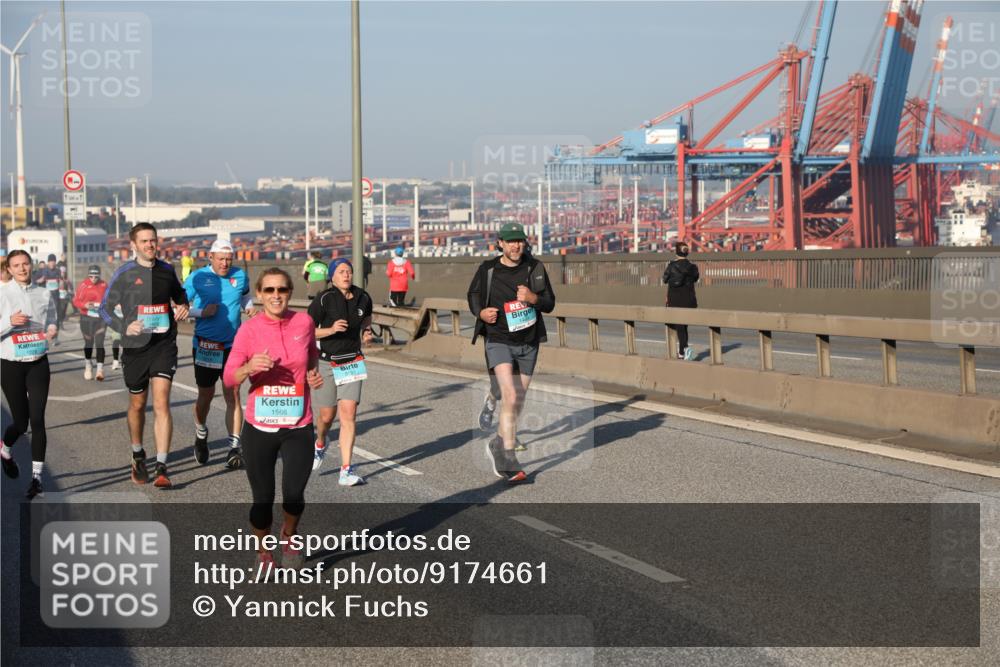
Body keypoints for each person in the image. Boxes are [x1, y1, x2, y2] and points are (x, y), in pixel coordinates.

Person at [223, 267, 323, 570]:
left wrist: (311, 375)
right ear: (259, 295)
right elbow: (229, 378)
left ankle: (290, 535)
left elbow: (311, 355)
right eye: (269, 290)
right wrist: (249, 367)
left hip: (298, 424)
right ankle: (263, 550)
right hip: (259, 426)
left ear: (289, 293)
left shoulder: (304, 322)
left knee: (294, 494)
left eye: (282, 290)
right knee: (262, 499)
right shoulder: (249, 330)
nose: (276, 296)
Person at [100, 223, 189, 488]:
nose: (150, 245)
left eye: (153, 240)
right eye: (144, 241)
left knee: (162, 402)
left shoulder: (166, 270)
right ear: (134, 245)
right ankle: (138, 453)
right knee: (138, 404)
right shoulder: (125, 273)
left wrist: (183, 306)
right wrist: (123, 326)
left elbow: (181, 295)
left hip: (163, 344)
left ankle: (162, 466)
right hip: (135, 348)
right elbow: (105, 309)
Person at [466, 223, 555, 483]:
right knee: (511, 394)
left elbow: (550, 303)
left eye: (520, 241)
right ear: (500, 244)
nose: (516, 245)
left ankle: (498, 442)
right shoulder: (488, 270)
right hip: (498, 339)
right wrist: (481, 313)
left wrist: (533, 298)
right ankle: (507, 457)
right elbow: (473, 295)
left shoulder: (535, 268)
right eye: (511, 241)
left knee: (518, 400)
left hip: (529, 342)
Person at [184, 238, 254, 468]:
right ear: (210, 257)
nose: (225, 263)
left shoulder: (240, 276)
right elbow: (180, 308)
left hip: (233, 346)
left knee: (232, 395)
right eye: (220, 259)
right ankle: (201, 433)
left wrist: (249, 306)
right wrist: (201, 312)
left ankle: (234, 448)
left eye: (228, 259)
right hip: (205, 346)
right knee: (205, 394)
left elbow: (244, 295)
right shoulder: (197, 277)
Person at [308, 258, 373, 484]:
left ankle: (346, 470)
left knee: (349, 414)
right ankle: (320, 442)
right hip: (326, 363)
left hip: (352, 361)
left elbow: (367, 319)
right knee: (326, 416)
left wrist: (366, 332)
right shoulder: (324, 299)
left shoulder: (363, 297)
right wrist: (331, 329)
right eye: (341, 271)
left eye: (349, 271)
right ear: (332, 276)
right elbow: (307, 330)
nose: (346, 275)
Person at [1, 250, 58, 498]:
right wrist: (9, 322)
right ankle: (5, 449)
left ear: (31, 265)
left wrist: (52, 331)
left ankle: (36, 479)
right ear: (9, 269)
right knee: (21, 423)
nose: (23, 269)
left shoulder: (44, 293)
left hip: (37, 361)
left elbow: (53, 319)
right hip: (10, 363)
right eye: (17, 265)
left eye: (26, 264)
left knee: (37, 420)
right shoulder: (2, 293)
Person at [663, 240, 700, 361]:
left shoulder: (671, 265)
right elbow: (695, 278)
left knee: (679, 326)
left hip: (675, 299)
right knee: (683, 326)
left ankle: (684, 350)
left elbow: (665, 279)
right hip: (689, 299)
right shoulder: (693, 267)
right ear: (687, 252)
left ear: (676, 252)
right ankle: (682, 351)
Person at [73, 265, 110, 381]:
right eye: (91, 276)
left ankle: (100, 370)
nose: (93, 278)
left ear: (99, 275)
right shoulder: (83, 285)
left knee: (99, 342)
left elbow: (110, 299)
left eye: (96, 276)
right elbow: (75, 301)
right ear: (88, 275)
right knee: (89, 343)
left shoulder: (104, 285)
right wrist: (84, 305)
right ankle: (88, 365)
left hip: (100, 318)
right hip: (86, 318)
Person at [34, 254, 64, 332]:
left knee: (55, 316)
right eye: (50, 262)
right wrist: (41, 280)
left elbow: (61, 281)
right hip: (45, 297)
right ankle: (44, 331)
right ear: (48, 262)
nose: (52, 263)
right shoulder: (44, 270)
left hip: (55, 297)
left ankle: (55, 335)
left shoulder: (58, 270)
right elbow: (36, 280)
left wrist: (61, 283)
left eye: (53, 261)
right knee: (45, 315)